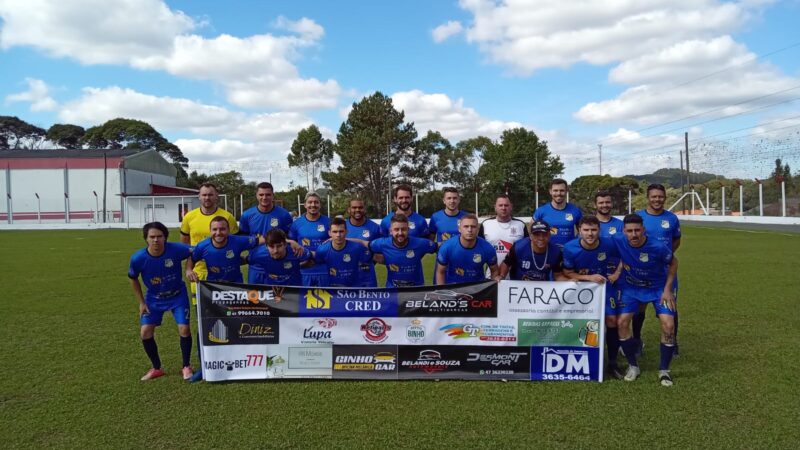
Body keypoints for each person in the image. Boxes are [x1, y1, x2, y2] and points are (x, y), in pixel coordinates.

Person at [614, 214, 678, 386]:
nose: (634, 234)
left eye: (637, 230)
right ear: (623, 231)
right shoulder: (618, 240)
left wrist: (667, 289)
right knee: (621, 323)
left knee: (668, 325)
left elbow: (673, 263)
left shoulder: (657, 247)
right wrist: (617, 273)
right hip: (631, 288)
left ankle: (664, 370)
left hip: (658, 289)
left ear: (643, 230)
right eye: (629, 231)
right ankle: (633, 366)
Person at [128, 222, 194, 381]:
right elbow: (133, 278)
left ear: (165, 238)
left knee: (184, 329)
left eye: (159, 236)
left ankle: (186, 366)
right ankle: (156, 368)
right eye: (152, 237)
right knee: (145, 332)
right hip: (154, 298)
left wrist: (188, 268)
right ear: (146, 239)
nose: (156, 240)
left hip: (177, 296)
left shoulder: (176, 249)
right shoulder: (138, 258)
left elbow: (195, 251)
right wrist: (141, 302)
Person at [561, 216, 623, 379]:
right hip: (582, 288)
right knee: (583, 322)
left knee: (611, 321)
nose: (590, 234)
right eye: (586, 230)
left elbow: (626, 255)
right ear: (579, 230)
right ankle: (580, 357)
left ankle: (612, 363)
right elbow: (567, 272)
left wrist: (616, 273)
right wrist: (589, 278)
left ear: (599, 230)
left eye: (594, 230)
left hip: (604, 287)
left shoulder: (609, 244)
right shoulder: (570, 247)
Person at [634, 183, 682, 356]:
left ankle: (673, 341)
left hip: (664, 272)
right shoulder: (638, 217)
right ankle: (637, 340)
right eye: (653, 196)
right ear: (648, 198)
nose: (657, 200)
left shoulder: (671, 219)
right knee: (639, 307)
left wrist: (665, 255)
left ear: (665, 198)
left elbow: (676, 240)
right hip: (641, 271)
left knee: (670, 305)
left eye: (660, 196)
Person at [180, 182, 238, 298]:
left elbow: (235, 243)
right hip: (199, 272)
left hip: (224, 273)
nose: (207, 198)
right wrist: (189, 268)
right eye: (204, 195)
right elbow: (185, 244)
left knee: (227, 312)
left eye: (210, 195)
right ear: (199, 196)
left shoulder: (227, 217)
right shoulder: (189, 217)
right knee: (201, 312)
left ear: (217, 196)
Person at [369, 214, 437, 287]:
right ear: (391, 231)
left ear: (408, 230)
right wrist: (376, 258)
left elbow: (440, 247)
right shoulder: (382, 243)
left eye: (403, 229)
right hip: (392, 291)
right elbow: (364, 245)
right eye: (396, 229)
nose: (400, 233)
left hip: (417, 292)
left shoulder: (420, 243)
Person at [188, 216, 260, 284]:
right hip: (213, 287)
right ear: (210, 231)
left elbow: (260, 240)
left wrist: (268, 246)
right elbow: (192, 258)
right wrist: (189, 270)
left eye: (222, 229)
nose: (218, 233)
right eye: (214, 229)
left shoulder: (237, 241)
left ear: (228, 230)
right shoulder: (202, 246)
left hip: (236, 286)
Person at [436, 214, 499, 284]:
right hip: (453, 288)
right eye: (466, 226)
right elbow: (440, 272)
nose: (469, 230)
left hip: (478, 289)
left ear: (478, 230)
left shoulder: (487, 248)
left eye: (473, 227)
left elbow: (494, 271)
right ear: (459, 229)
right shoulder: (447, 247)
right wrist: (442, 292)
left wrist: (494, 286)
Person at [479, 194, 528, 278]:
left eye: (506, 205)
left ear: (511, 207)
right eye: (500, 205)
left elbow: (527, 249)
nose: (503, 208)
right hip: (491, 276)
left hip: (516, 276)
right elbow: (479, 249)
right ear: (495, 207)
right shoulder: (486, 224)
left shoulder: (520, 225)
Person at [500, 220, 567, 281]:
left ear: (549, 235)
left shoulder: (555, 252)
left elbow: (558, 276)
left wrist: (571, 283)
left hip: (542, 288)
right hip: (518, 286)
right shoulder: (518, 247)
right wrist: (501, 277)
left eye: (545, 235)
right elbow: (506, 263)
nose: (541, 238)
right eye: (537, 235)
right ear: (530, 236)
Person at [315, 217, 373, 287]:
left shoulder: (357, 248)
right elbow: (317, 265)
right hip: (333, 290)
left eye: (341, 231)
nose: (338, 235)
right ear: (329, 233)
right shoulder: (322, 250)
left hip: (353, 291)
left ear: (346, 232)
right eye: (335, 232)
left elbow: (367, 266)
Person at [289, 192, 331, 286]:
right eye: (310, 202)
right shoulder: (296, 223)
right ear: (305, 205)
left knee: (326, 300)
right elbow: (292, 247)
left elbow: (335, 245)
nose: (313, 205)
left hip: (325, 270)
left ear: (320, 204)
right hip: (304, 271)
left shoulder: (328, 222)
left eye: (316, 202)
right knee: (303, 300)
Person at [247, 229, 313, 286]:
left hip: (294, 291)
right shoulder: (258, 254)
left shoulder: (296, 251)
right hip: (271, 290)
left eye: (279, 246)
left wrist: (298, 266)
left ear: (285, 244)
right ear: (266, 246)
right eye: (271, 247)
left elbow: (312, 257)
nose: (275, 251)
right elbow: (246, 260)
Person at [532, 178, 583, 249]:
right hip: (547, 252)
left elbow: (583, 231)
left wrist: (575, 243)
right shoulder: (541, 211)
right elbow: (531, 231)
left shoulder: (575, 211)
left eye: (562, 190)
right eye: (555, 190)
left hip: (568, 251)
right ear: (550, 191)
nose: (558, 193)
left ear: (566, 191)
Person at [345, 198, 382, 287]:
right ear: (349, 210)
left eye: (360, 207)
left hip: (367, 278)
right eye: (354, 207)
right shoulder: (342, 227)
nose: (357, 210)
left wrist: (369, 259)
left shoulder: (375, 227)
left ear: (364, 209)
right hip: (346, 277)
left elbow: (381, 253)